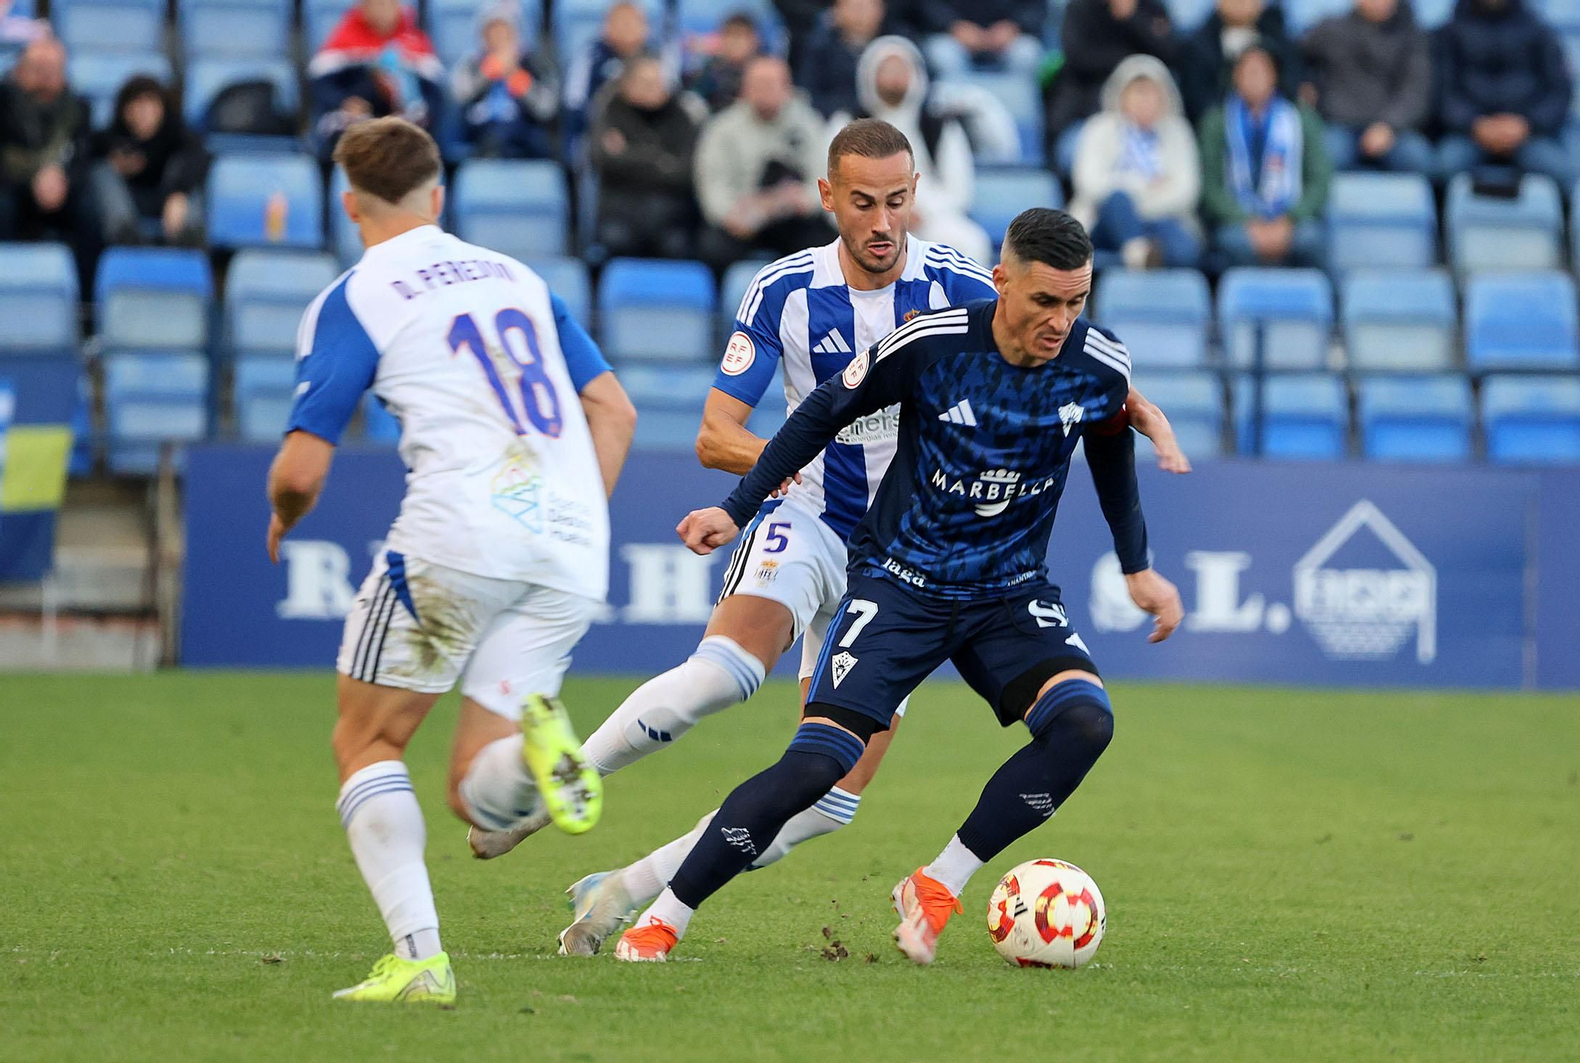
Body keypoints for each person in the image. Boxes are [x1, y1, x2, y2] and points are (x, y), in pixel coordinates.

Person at [465, 123, 1190, 960]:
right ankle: (551, 789)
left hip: (921, 549)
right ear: (827, 198)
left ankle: (626, 890)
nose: (883, 222)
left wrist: (1141, 410)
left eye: (897, 201)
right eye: (863, 203)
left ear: (915, 194)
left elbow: (1083, 376)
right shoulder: (785, 289)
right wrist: (768, 483)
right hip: (808, 513)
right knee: (722, 676)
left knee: (830, 797)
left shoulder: (963, 287)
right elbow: (715, 433)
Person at [264, 117, 637, 1004]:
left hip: (459, 535)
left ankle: (421, 958)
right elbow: (614, 412)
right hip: (570, 543)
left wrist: (281, 515)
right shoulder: (519, 276)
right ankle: (545, 753)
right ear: (439, 196)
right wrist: (574, 515)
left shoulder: (355, 295)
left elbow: (302, 466)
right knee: (478, 794)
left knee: (367, 737)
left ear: (349, 205)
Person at [846, 35, 992, 262]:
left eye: (900, 69)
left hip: (931, 219)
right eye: (887, 69)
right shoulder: (847, 124)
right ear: (869, 74)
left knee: (971, 242)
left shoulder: (938, 125)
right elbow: (838, 187)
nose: (895, 77)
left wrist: (919, 212)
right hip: (866, 221)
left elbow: (959, 190)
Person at [693, 56, 834, 271]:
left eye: (771, 84)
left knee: (827, 244)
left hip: (792, 217)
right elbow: (713, 188)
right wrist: (731, 214)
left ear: (787, 88)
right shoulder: (722, 128)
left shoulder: (808, 123)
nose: (765, 91)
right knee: (710, 248)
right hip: (741, 217)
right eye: (757, 85)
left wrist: (804, 200)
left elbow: (825, 179)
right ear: (744, 89)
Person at [1200, 45, 1330, 269]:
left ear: (1274, 76)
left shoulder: (1301, 119)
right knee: (1234, 242)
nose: (1254, 78)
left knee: (1310, 240)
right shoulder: (1217, 122)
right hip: (1239, 218)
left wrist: (1289, 219)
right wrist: (1246, 219)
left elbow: (1319, 181)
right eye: (1247, 71)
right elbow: (1210, 186)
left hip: (1291, 217)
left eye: (1261, 71)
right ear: (1235, 77)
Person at [1070, 54, 1201, 269]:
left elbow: (1185, 191)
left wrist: (1136, 208)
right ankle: (1138, 252)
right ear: (1121, 94)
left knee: (1186, 250)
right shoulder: (1099, 128)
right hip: (1104, 219)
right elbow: (1089, 183)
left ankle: (1136, 250)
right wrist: (1143, 187)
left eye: (1152, 93)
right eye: (1139, 92)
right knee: (1118, 199)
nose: (1145, 100)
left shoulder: (1178, 131)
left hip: (1161, 218)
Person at [1432, 0, 1574, 193]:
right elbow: (1442, 93)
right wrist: (1475, 124)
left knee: (1560, 173)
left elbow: (1560, 92)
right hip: (1468, 134)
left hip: (1528, 134)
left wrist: (1526, 125)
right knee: (1443, 169)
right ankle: (1441, 222)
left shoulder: (1539, 31)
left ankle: (1564, 223)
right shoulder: (1449, 33)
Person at [0, 36, 99, 292]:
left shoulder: (78, 108)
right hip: (12, 187)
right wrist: (33, 179)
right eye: (37, 70)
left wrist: (62, 180)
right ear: (19, 70)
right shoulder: (3, 104)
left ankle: (85, 304)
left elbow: (84, 159)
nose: (45, 79)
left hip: (62, 189)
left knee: (90, 210)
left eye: (52, 71)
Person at [1299, 0, 1432, 174]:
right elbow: (1294, 56)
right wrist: (1306, 84)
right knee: (1323, 158)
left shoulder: (1411, 35)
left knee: (1419, 160)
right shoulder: (1331, 29)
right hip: (1340, 124)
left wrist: (1388, 125)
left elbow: (1415, 90)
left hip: (1392, 128)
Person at [590, 54, 703, 259]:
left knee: (681, 247)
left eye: (657, 82)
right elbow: (604, 160)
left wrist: (630, 154)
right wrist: (660, 159)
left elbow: (685, 172)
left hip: (670, 217)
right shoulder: (610, 111)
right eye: (644, 82)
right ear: (627, 84)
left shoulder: (682, 118)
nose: (652, 88)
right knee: (615, 241)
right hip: (620, 213)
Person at [1048, 0, 1179, 169]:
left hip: (1149, 117)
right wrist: (1128, 63)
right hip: (1085, 106)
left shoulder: (1151, 8)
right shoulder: (1080, 8)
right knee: (1075, 151)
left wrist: (1132, 17)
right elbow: (1077, 56)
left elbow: (1169, 54)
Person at [309, 0, 445, 159]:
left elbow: (433, 93)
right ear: (363, 8)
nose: (383, 11)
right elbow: (322, 85)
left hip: (400, 119)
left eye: (389, 4)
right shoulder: (344, 37)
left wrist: (407, 110)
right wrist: (344, 102)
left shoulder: (415, 40)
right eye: (377, 4)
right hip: (356, 118)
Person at [89, 75, 209, 246]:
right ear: (125, 110)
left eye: (150, 104)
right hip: (126, 206)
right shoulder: (110, 139)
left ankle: (188, 240)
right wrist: (115, 163)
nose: (143, 112)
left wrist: (178, 192)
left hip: (168, 202)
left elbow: (199, 158)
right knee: (101, 171)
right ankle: (125, 238)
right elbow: (88, 150)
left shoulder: (179, 136)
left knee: (192, 185)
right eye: (136, 104)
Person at [450, 0, 559, 159]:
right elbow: (460, 95)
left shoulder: (533, 63)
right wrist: (487, 73)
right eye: (493, 32)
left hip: (524, 135)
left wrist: (516, 76)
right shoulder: (472, 62)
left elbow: (546, 108)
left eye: (505, 32)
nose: (499, 38)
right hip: (481, 133)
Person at [1177, 0, 1300, 125]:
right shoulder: (1198, 46)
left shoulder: (1278, 38)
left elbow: (1292, 81)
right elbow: (1197, 97)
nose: (1241, 3)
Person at [562, 0, 652, 152]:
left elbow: (667, 101)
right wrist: (604, 130)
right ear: (606, 26)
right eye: (620, 22)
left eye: (632, 22)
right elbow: (574, 104)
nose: (626, 28)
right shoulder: (590, 58)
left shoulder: (653, 59)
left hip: (647, 135)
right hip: (598, 137)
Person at [798, 0, 891, 123]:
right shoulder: (819, 48)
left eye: (865, 7)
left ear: (880, 10)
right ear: (836, 11)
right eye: (854, 7)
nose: (860, 14)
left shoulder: (896, 47)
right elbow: (808, 94)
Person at [918, 0, 1047, 78]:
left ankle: (1019, 119)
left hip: (1010, 36)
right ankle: (953, 115)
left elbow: (1035, 7)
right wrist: (952, 25)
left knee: (1026, 54)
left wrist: (1015, 25)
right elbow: (929, 5)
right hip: (953, 35)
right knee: (942, 54)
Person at [687, 12, 762, 113]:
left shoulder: (765, 70)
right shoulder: (711, 69)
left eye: (740, 36)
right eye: (729, 35)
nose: (735, 42)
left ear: (754, 40)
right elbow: (694, 99)